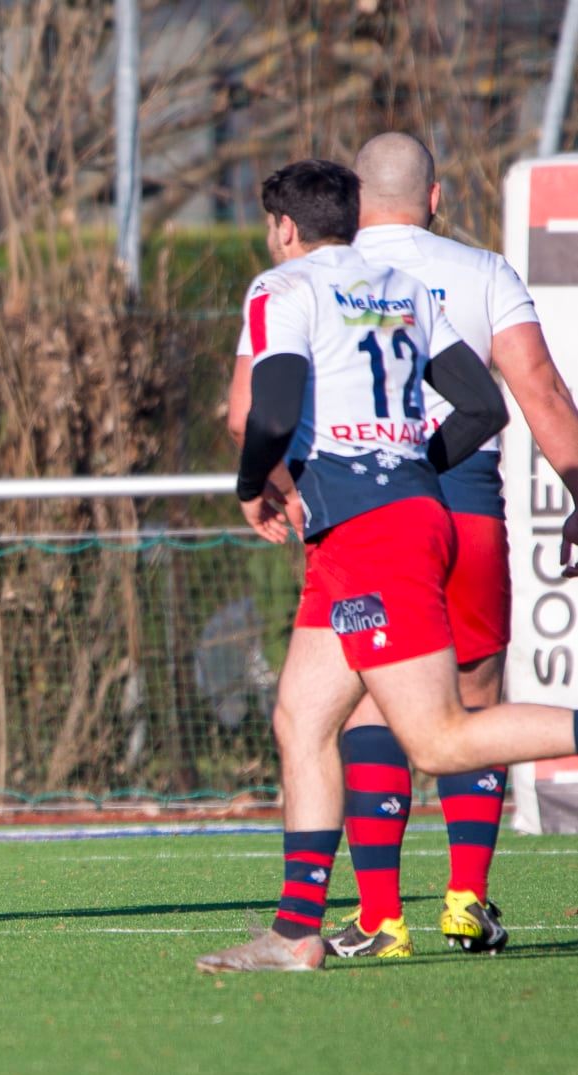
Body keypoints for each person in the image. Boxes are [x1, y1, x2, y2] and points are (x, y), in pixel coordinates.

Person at [197, 160, 578, 973]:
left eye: (271, 227)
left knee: (436, 741)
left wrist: (249, 487)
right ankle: (298, 933)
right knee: (301, 719)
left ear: (285, 229)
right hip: (388, 523)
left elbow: (266, 407)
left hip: (372, 536)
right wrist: (407, 467)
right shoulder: (401, 286)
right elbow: (481, 404)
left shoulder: (282, 287)